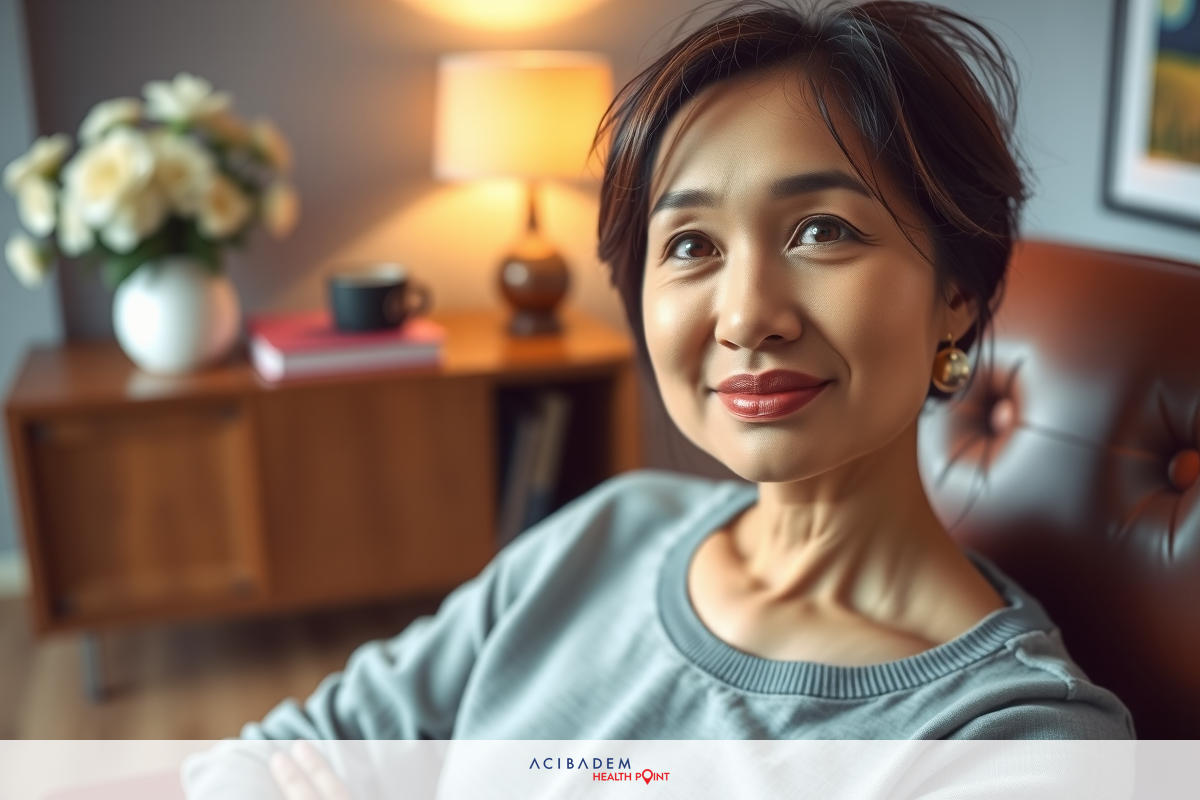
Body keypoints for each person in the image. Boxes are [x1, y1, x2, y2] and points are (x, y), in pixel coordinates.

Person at [196, 1, 1135, 770]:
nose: (746, 317)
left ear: (955, 294)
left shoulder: (1014, 740)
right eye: (690, 245)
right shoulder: (607, 534)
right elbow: (272, 756)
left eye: (823, 231)